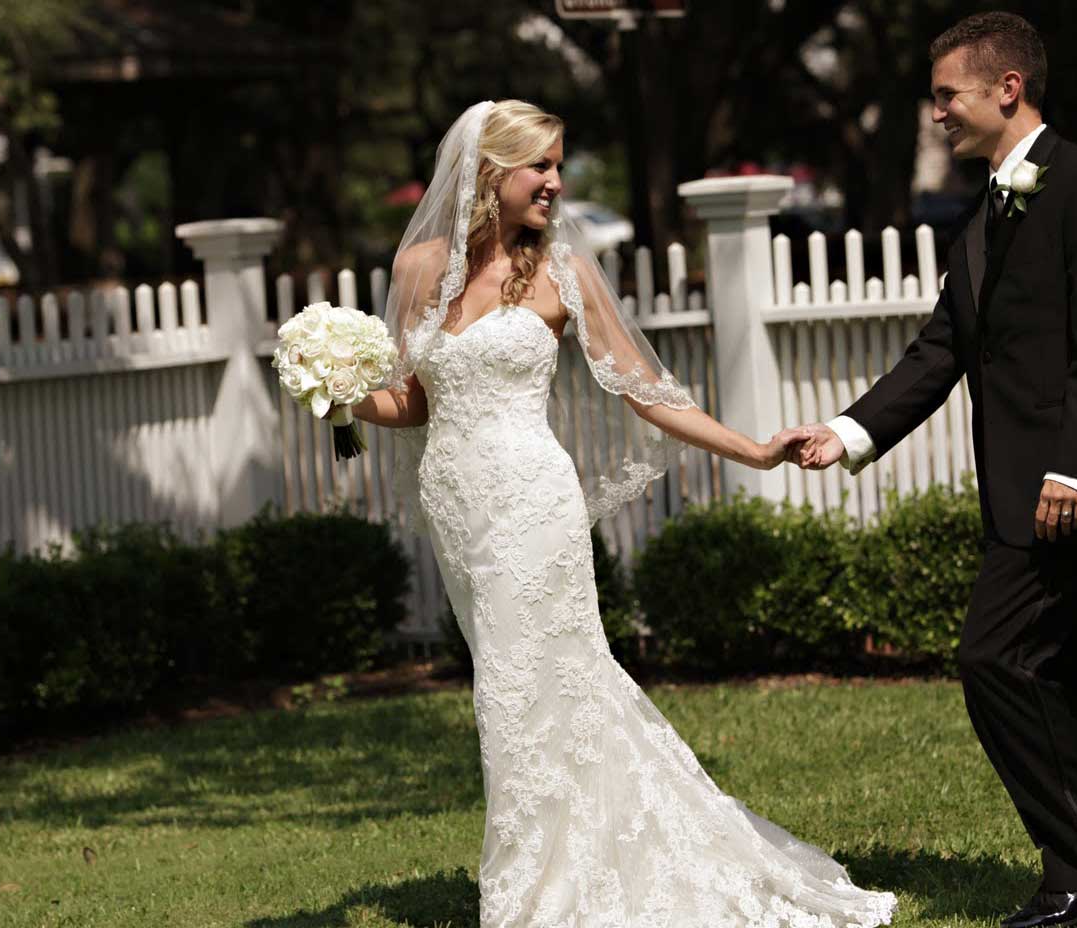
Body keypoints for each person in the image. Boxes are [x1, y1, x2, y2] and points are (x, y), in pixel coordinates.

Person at [343, 99, 896, 928]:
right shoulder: (419, 268)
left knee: (521, 690)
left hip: (532, 503)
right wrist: (342, 398)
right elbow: (414, 400)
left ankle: (534, 892)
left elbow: (647, 389)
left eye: (559, 166)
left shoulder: (563, 270)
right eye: (541, 166)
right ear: (490, 173)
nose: (556, 183)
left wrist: (751, 451)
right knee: (518, 687)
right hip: (458, 509)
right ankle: (569, 860)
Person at [793, 13, 1077, 928]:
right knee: (1071, 679)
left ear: (1007, 89)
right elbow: (941, 349)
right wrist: (848, 432)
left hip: (1062, 493)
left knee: (993, 660)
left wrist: (1074, 472)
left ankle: (1075, 873)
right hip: (1019, 491)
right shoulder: (985, 208)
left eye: (948, 94)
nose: (938, 111)